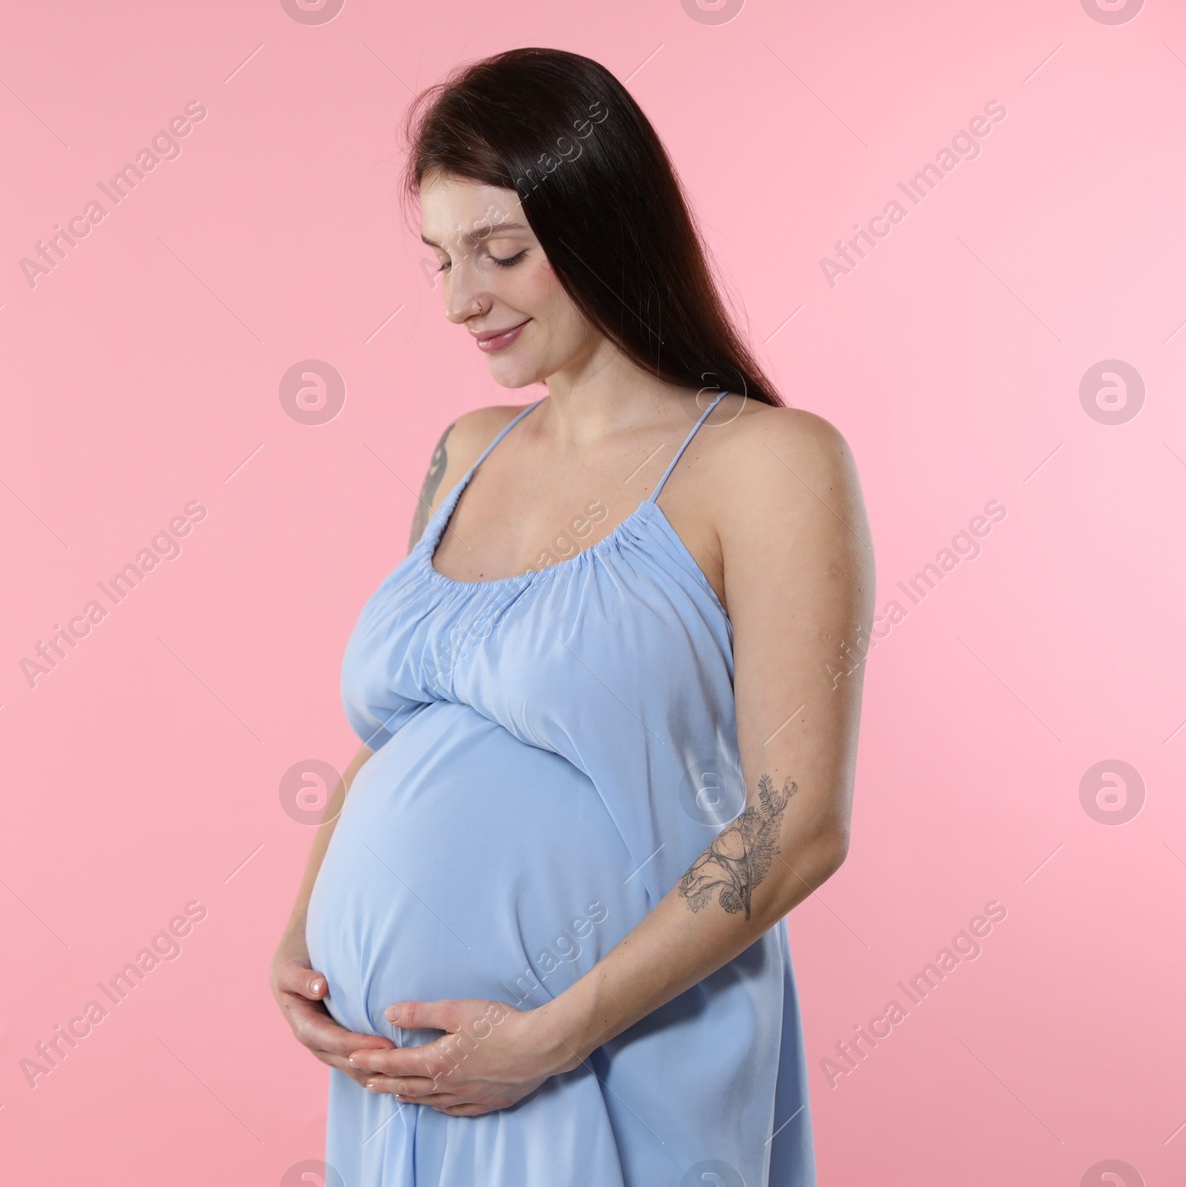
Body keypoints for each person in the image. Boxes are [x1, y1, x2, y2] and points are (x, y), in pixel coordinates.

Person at [269, 46, 873, 1187]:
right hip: (405, 1081)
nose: (461, 300)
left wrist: (554, 1033)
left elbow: (795, 825)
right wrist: (302, 937)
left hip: (610, 1060)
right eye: (440, 259)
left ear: (604, 222)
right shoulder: (464, 451)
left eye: (500, 252)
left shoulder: (768, 464)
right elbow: (400, 738)